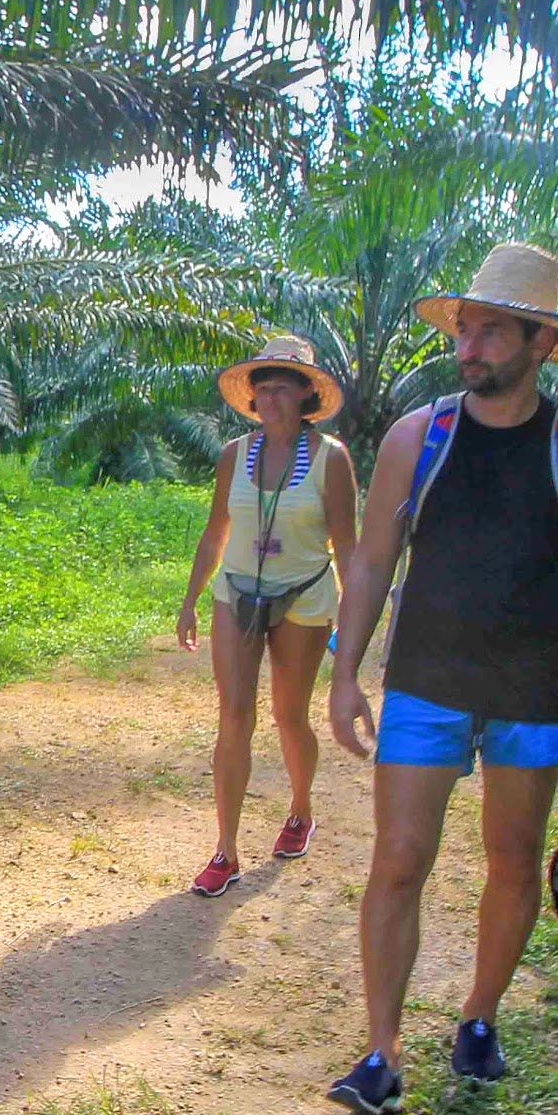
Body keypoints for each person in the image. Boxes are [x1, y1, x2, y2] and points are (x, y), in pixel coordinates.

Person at [320, 245, 558, 1115]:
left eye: (492, 332)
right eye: (466, 329)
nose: (470, 348)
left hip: (531, 685)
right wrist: (346, 674)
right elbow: (371, 563)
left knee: (511, 861)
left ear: (542, 341)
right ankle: (382, 1054)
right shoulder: (416, 436)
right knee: (398, 860)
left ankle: (478, 1017)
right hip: (427, 676)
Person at [177, 335, 362, 896]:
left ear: (306, 394)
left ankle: (300, 810)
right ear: (252, 397)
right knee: (234, 714)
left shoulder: (331, 458)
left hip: (304, 596)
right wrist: (190, 599)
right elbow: (217, 532)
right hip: (237, 592)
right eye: (264, 387)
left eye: (284, 387)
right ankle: (226, 850)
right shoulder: (235, 454)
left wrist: (356, 618)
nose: (272, 397)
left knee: (288, 714)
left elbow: (347, 545)